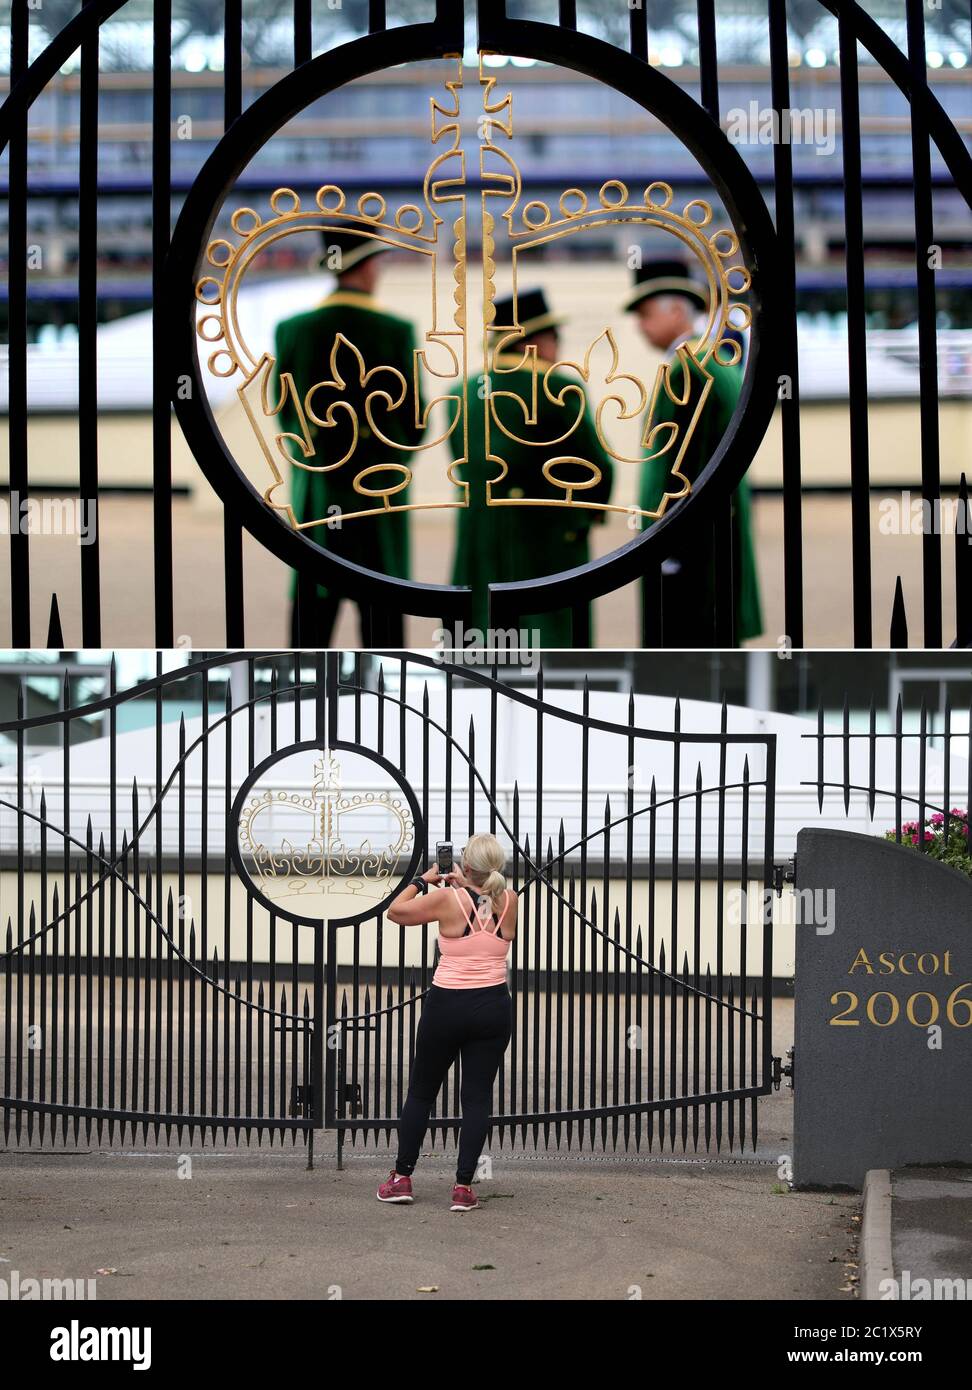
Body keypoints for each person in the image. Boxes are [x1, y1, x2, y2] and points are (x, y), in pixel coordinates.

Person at [273, 224, 426, 645]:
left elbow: (284, 413)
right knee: (384, 627)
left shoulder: (293, 329)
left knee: (310, 629)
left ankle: (301, 705)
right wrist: (389, 462)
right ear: (369, 265)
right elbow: (415, 421)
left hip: (319, 493)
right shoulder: (396, 330)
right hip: (380, 491)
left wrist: (316, 458)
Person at [447, 288, 614, 648]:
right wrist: (590, 514)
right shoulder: (558, 387)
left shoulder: (460, 393)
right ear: (535, 341)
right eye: (554, 337)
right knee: (549, 637)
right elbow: (596, 465)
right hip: (547, 534)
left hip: (480, 533)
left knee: (483, 631)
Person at [625, 257, 762, 646]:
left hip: (689, 544)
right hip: (704, 536)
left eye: (646, 312)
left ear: (675, 310)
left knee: (683, 651)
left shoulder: (691, 365)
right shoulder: (709, 358)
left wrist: (667, 542)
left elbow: (679, 466)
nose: (640, 324)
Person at [376, 834, 517, 1212]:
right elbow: (482, 904)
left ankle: (402, 1178)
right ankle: (463, 1187)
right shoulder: (510, 899)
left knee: (422, 1092)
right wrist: (464, 885)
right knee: (476, 1097)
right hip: (493, 1007)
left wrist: (424, 881)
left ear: (464, 865)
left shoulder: (445, 898)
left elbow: (395, 911)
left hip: (447, 1006)